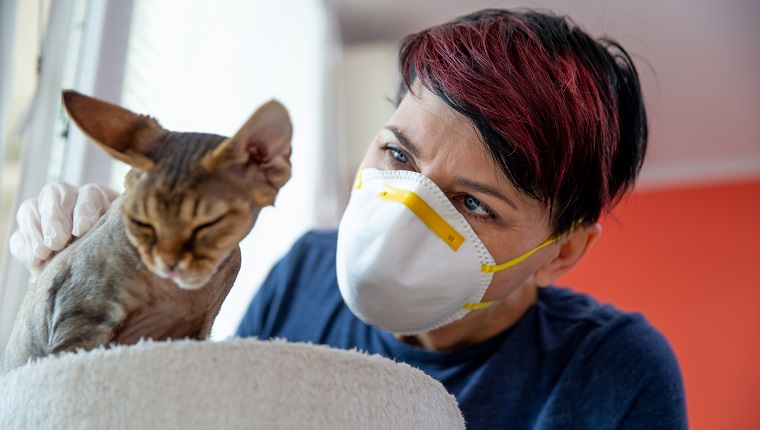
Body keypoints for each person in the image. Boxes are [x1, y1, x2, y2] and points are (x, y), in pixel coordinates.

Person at [9, 8, 686, 429]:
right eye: (396, 151)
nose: (404, 213)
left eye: (473, 203)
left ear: (561, 253)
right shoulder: (303, 271)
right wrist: (93, 268)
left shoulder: (612, 374)